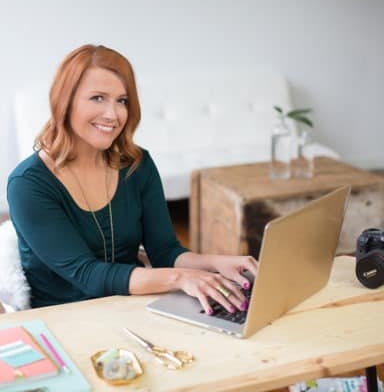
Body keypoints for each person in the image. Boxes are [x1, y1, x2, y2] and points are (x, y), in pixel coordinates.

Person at [7, 44, 258, 314]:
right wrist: (181, 278)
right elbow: (87, 274)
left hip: (134, 306)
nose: (113, 114)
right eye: (98, 98)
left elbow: (165, 252)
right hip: (66, 320)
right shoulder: (28, 184)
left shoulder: (137, 165)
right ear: (64, 101)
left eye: (122, 100)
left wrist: (217, 263)